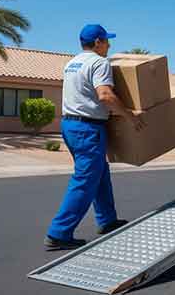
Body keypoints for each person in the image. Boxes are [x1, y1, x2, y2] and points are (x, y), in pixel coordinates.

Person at [45, 24, 145, 251]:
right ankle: (58, 233)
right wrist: (130, 116)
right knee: (85, 179)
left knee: (99, 173)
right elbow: (105, 95)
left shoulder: (72, 63)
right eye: (107, 40)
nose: (109, 45)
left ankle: (107, 220)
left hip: (70, 124)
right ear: (98, 42)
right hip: (87, 128)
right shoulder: (99, 63)